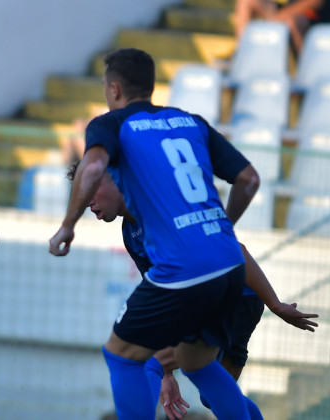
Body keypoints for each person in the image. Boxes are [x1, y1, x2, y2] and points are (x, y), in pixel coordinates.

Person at [49, 48, 261, 419]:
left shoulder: (111, 124)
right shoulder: (190, 121)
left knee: (121, 354)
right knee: (194, 361)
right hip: (229, 264)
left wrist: (68, 224)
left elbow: (94, 163)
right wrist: (219, 230)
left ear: (114, 89)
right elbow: (249, 179)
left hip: (188, 266)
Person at [67, 164, 319, 419]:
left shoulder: (162, 211)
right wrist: (167, 374)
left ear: (115, 180)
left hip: (229, 295)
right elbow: (160, 295)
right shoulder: (131, 232)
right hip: (227, 299)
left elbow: (234, 249)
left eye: (90, 192)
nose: (87, 204)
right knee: (211, 394)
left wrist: (276, 305)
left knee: (144, 360)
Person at [234, 0, 330, 55]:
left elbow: (316, 2)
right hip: (287, 11)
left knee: (292, 21)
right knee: (246, 0)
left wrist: (280, 16)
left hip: (314, 17)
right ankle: (242, 55)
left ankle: (305, 70)